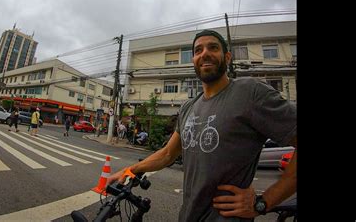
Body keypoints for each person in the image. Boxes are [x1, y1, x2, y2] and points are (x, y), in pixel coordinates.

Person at [107, 29, 297, 221]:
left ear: (227, 57)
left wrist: (263, 202)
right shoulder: (188, 107)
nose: (204, 53)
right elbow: (167, 154)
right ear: (194, 60)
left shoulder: (251, 93)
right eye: (198, 50)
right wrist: (130, 169)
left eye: (213, 47)